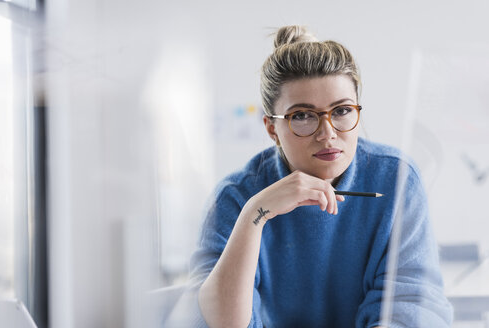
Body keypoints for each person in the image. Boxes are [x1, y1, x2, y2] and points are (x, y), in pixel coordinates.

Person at [187, 25, 453, 327]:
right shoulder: (235, 197)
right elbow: (221, 322)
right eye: (302, 116)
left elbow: (413, 304)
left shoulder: (396, 178)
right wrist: (254, 215)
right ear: (272, 128)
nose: (327, 134)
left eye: (341, 111)